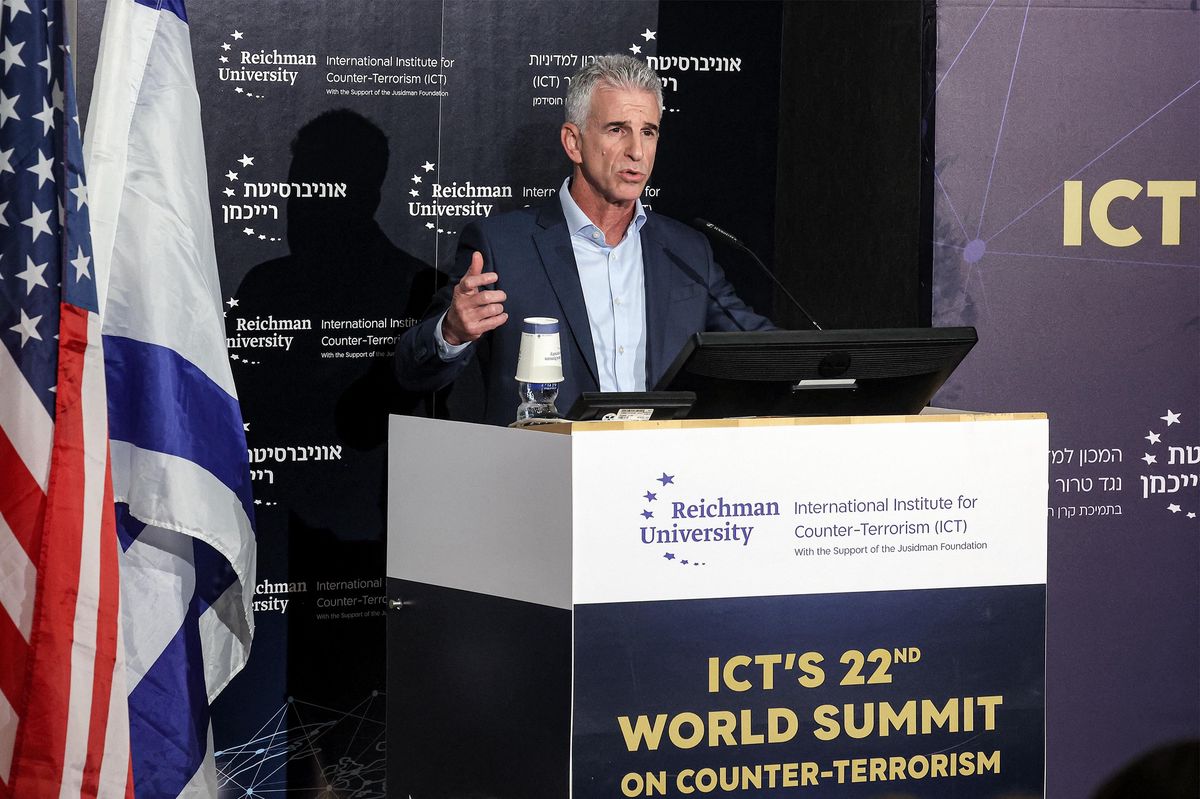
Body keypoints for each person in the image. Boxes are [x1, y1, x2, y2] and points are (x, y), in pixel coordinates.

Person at [395, 54, 773, 425]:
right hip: (546, 473)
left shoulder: (685, 250)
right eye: (617, 130)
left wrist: (827, 363)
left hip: (659, 476)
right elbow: (413, 373)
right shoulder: (503, 247)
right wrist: (452, 332)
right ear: (573, 142)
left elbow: (758, 349)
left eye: (648, 132)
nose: (637, 152)